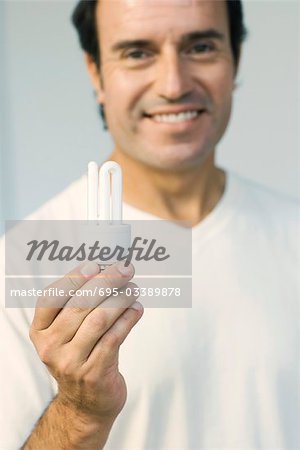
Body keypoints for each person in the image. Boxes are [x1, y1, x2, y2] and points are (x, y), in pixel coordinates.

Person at [1, 0, 299, 449]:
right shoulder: (25, 259)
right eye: (138, 52)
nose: (174, 84)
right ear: (96, 73)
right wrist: (80, 413)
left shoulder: (292, 231)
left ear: (234, 59)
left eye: (200, 46)